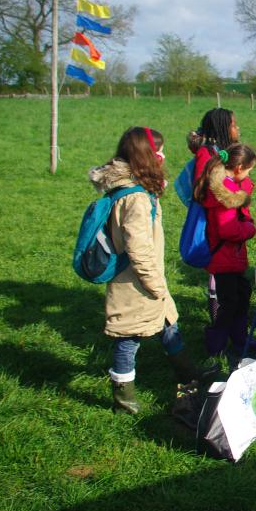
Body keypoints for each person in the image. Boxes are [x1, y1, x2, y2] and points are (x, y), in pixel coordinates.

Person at [91, 127, 213, 414]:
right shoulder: (135, 198)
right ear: (146, 155)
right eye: (159, 150)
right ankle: (124, 400)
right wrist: (155, 285)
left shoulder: (134, 190)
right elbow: (138, 249)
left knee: (169, 325)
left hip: (145, 279)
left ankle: (187, 374)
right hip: (135, 283)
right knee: (128, 340)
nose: (163, 155)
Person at [193, 143, 256, 368]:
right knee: (229, 303)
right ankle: (216, 346)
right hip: (224, 257)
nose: (250, 174)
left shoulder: (227, 186)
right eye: (249, 169)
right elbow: (227, 229)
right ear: (239, 167)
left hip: (229, 257)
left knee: (241, 296)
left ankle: (240, 340)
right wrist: (249, 228)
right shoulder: (225, 194)